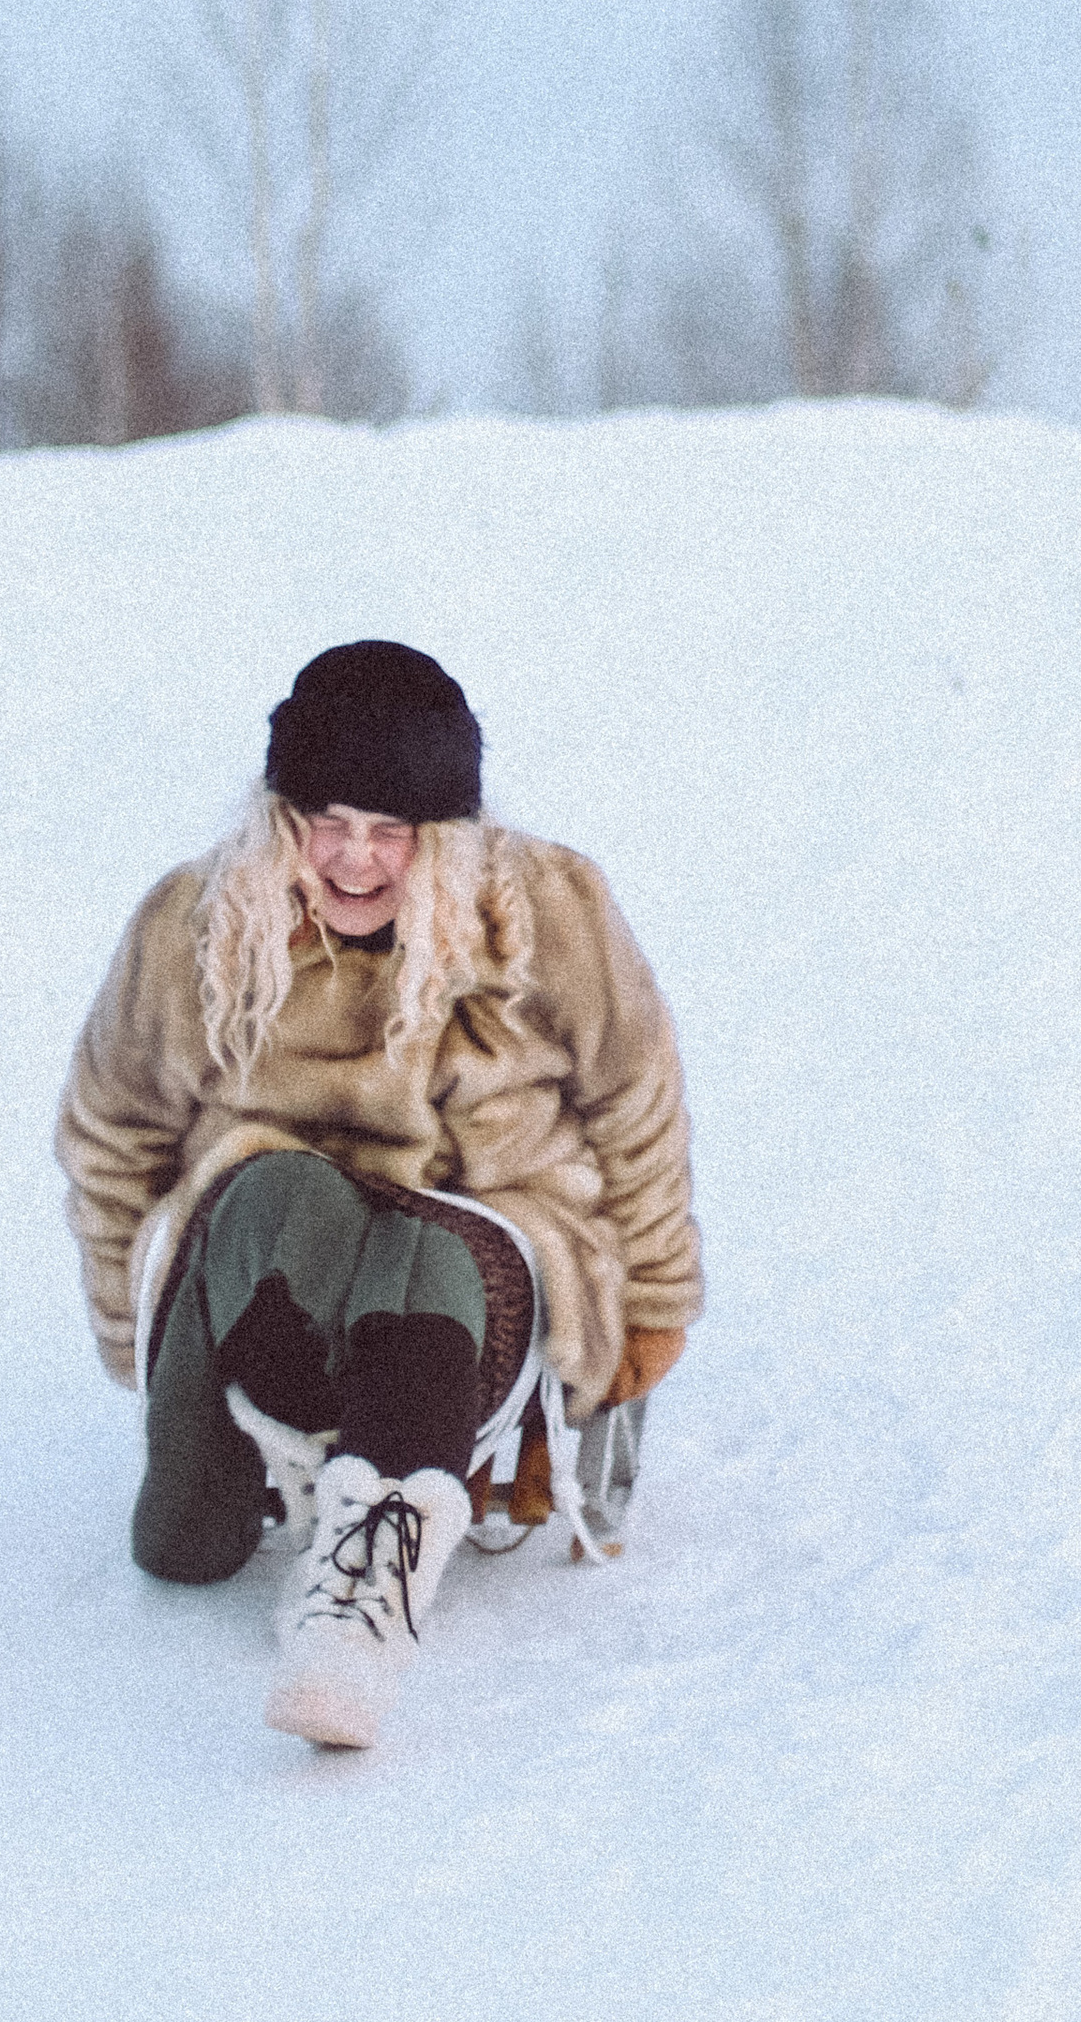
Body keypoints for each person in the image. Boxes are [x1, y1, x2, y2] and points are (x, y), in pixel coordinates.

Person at [54, 639, 704, 1750]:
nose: (356, 860)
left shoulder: (544, 911)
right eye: (328, 823)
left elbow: (634, 1100)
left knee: (429, 1239)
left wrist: (651, 1306)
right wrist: (138, 1337)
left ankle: (361, 1597)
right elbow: (113, 1130)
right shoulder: (188, 925)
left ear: (443, 838)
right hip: (273, 1273)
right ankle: (213, 1454)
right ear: (279, 819)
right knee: (273, 1194)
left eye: (392, 832)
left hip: (480, 1294)